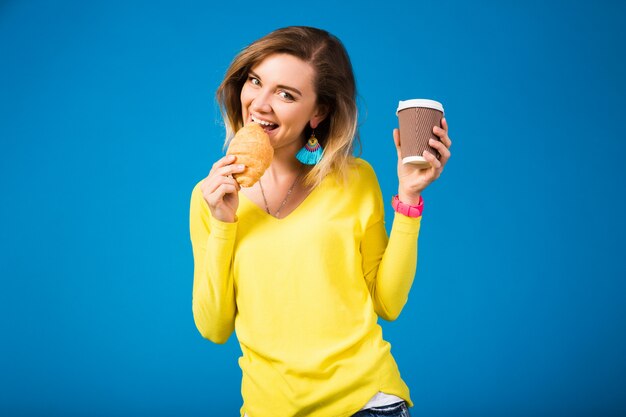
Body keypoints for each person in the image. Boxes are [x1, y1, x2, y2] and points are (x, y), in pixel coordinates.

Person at [189, 26, 452, 417]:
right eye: (255, 81)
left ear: (319, 112)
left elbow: (388, 303)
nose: (260, 104)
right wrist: (224, 224)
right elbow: (214, 327)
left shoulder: (355, 180)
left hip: (366, 404)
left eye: (285, 94)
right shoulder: (209, 197)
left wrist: (409, 197)